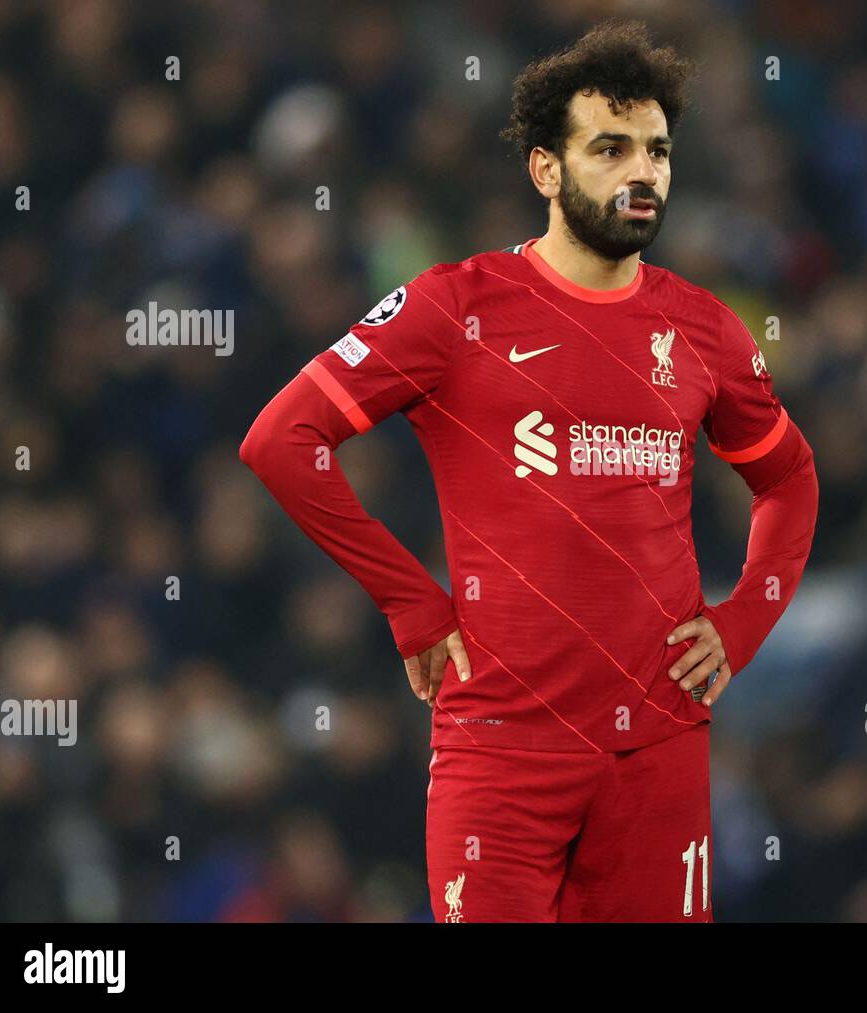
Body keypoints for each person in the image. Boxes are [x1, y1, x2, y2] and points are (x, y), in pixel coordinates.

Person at [240, 19, 818, 922]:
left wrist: (742, 622)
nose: (643, 173)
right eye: (611, 148)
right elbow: (282, 441)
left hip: (658, 748)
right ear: (546, 170)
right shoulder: (454, 306)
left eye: (658, 152)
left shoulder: (706, 330)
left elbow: (789, 478)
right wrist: (409, 600)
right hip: (504, 750)